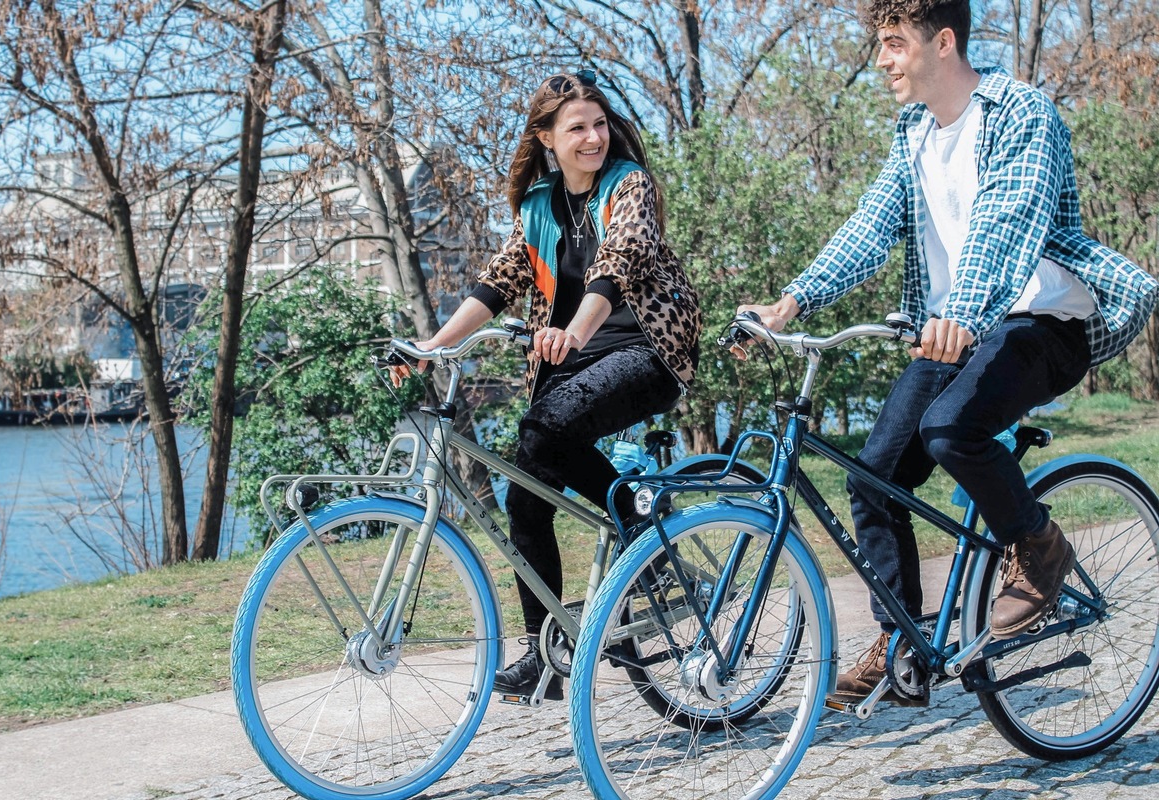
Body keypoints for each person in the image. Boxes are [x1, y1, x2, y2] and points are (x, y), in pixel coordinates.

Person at [737, 0, 1158, 706]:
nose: (882, 60)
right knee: (872, 479)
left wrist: (961, 311)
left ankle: (1042, 547)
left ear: (943, 42)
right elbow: (870, 226)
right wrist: (793, 300)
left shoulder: (1020, 113)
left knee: (950, 427)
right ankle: (902, 640)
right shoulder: (914, 135)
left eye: (895, 44)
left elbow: (1006, 220)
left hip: (1039, 320)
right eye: (880, 45)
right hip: (956, 329)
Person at [391, 70, 702, 701]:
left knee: (542, 432)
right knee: (526, 491)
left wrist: (577, 331)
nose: (593, 138)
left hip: (645, 349)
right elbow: (498, 282)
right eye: (576, 128)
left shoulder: (629, 186)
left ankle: (636, 519)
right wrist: (435, 345)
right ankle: (546, 653)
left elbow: (622, 261)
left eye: (598, 124)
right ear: (547, 139)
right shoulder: (536, 206)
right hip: (572, 362)